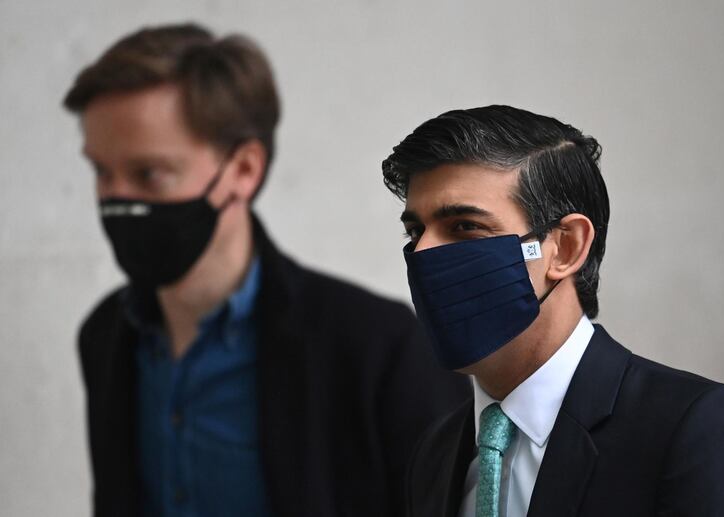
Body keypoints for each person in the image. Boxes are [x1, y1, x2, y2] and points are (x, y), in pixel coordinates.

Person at [63, 23, 468, 517]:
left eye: (149, 173)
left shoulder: (379, 348)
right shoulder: (105, 337)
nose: (117, 198)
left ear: (243, 171)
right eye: (102, 172)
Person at [381, 105, 724, 517]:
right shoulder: (434, 453)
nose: (422, 253)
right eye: (416, 231)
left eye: (465, 226)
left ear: (567, 247)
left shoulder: (695, 429)